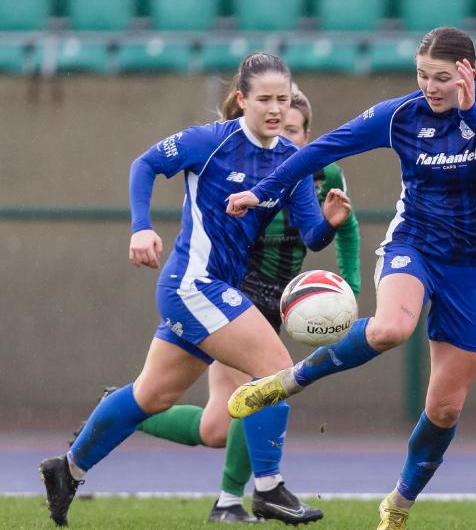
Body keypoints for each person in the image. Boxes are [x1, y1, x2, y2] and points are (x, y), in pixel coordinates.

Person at [223, 26, 476, 530]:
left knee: (446, 408)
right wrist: (263, 190)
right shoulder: (400, 114)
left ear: (467, 72)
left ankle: (399, 504)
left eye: (442, 77)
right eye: (422, 75)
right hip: (416, 244)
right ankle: (287, 382)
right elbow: (323, 149)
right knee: (390, 328)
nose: (430, 87)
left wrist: (471, 111)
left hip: (474, 263)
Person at [39, 52, 351, 527]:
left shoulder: (293, 161)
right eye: (263, 98)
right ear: (241, 100)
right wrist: (141, 228)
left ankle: (69, 469)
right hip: (192, 284)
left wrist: (329, 225)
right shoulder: (211, 142)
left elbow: (311, 235)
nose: (274, 109)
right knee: (276, 369)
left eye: (282, 99)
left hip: (216, 289)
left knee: (152, 397)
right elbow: (144, 164)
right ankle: (267, 489)